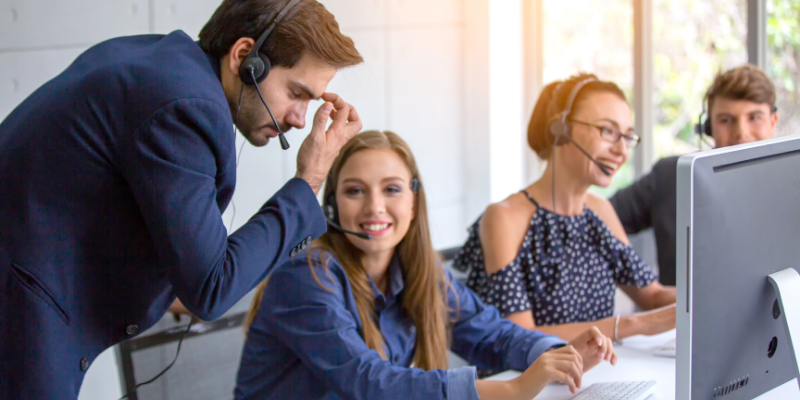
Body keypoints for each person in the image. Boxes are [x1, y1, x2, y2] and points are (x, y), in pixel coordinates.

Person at [0, 1, 363, 398]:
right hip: (20, 317)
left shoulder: (161, 61)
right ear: (245, 58)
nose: (298, 117)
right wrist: (309, 179)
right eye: (297, 93)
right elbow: (210, 289)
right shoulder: (183, 107)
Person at [235, 130, 617, 400]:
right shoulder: (306, 277)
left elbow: (492, 334)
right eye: (355, 191)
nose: (374, 207)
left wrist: (556, 353)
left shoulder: (420, 275)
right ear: (332, 207)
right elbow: (369, 383)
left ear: (414, 203)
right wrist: (513, 391)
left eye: (392, 189)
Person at [453, 74, 677, 343]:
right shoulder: (504, 217)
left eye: (627, 137)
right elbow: (521, 335)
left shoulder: (600, 211)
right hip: (533, 383)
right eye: (607, 131)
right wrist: (633, 324)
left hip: (597, 375)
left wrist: (709, 296)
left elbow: (652, 295)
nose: (621, 150)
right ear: (561, 128)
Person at [610, 65, 778, 286]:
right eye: (726, 120)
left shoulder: (791, 186)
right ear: (708, 128)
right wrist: (648, 289)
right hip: (681, 318)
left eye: (755, 117)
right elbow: (597, 219)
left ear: (773, 122)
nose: (742, 132)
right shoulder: (672, 177)